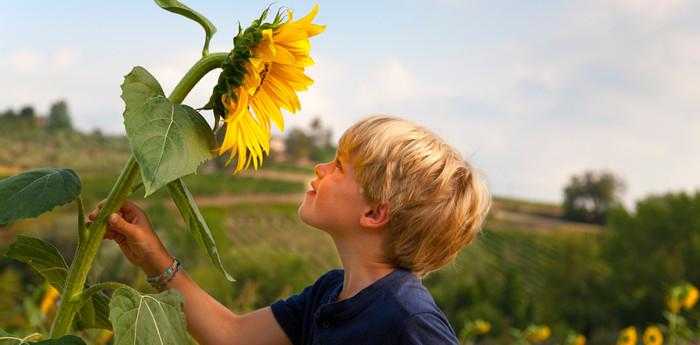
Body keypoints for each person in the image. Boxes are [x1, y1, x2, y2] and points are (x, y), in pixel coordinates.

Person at [88, 114, 492, 345]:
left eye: (338, 167)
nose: (320, 168)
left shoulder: (408, 320)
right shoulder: (330, 294)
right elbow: (233, 336)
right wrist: (151, 256)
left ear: (374, 213)